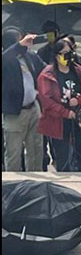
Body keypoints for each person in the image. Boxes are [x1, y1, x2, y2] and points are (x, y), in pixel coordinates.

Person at [37, 38, 81, 171]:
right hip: (58, 121)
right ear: (57, 56)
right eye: (64, 53)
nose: (68, 56)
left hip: (79, 120)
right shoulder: (47, 75)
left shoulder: (79, 71)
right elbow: (46, 101)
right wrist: (66, 113)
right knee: (62, 157)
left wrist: (79, 101)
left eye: (70, 52)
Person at [2, 28, 45, 172]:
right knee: (14, 152)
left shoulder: (30, 56)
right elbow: (6, 58)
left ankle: (35, 185)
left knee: (36, 149)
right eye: (18, 40)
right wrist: (19, 46)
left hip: (33, 107)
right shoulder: (6, 59)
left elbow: (45, 70)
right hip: (15, 112)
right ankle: (13, 187)